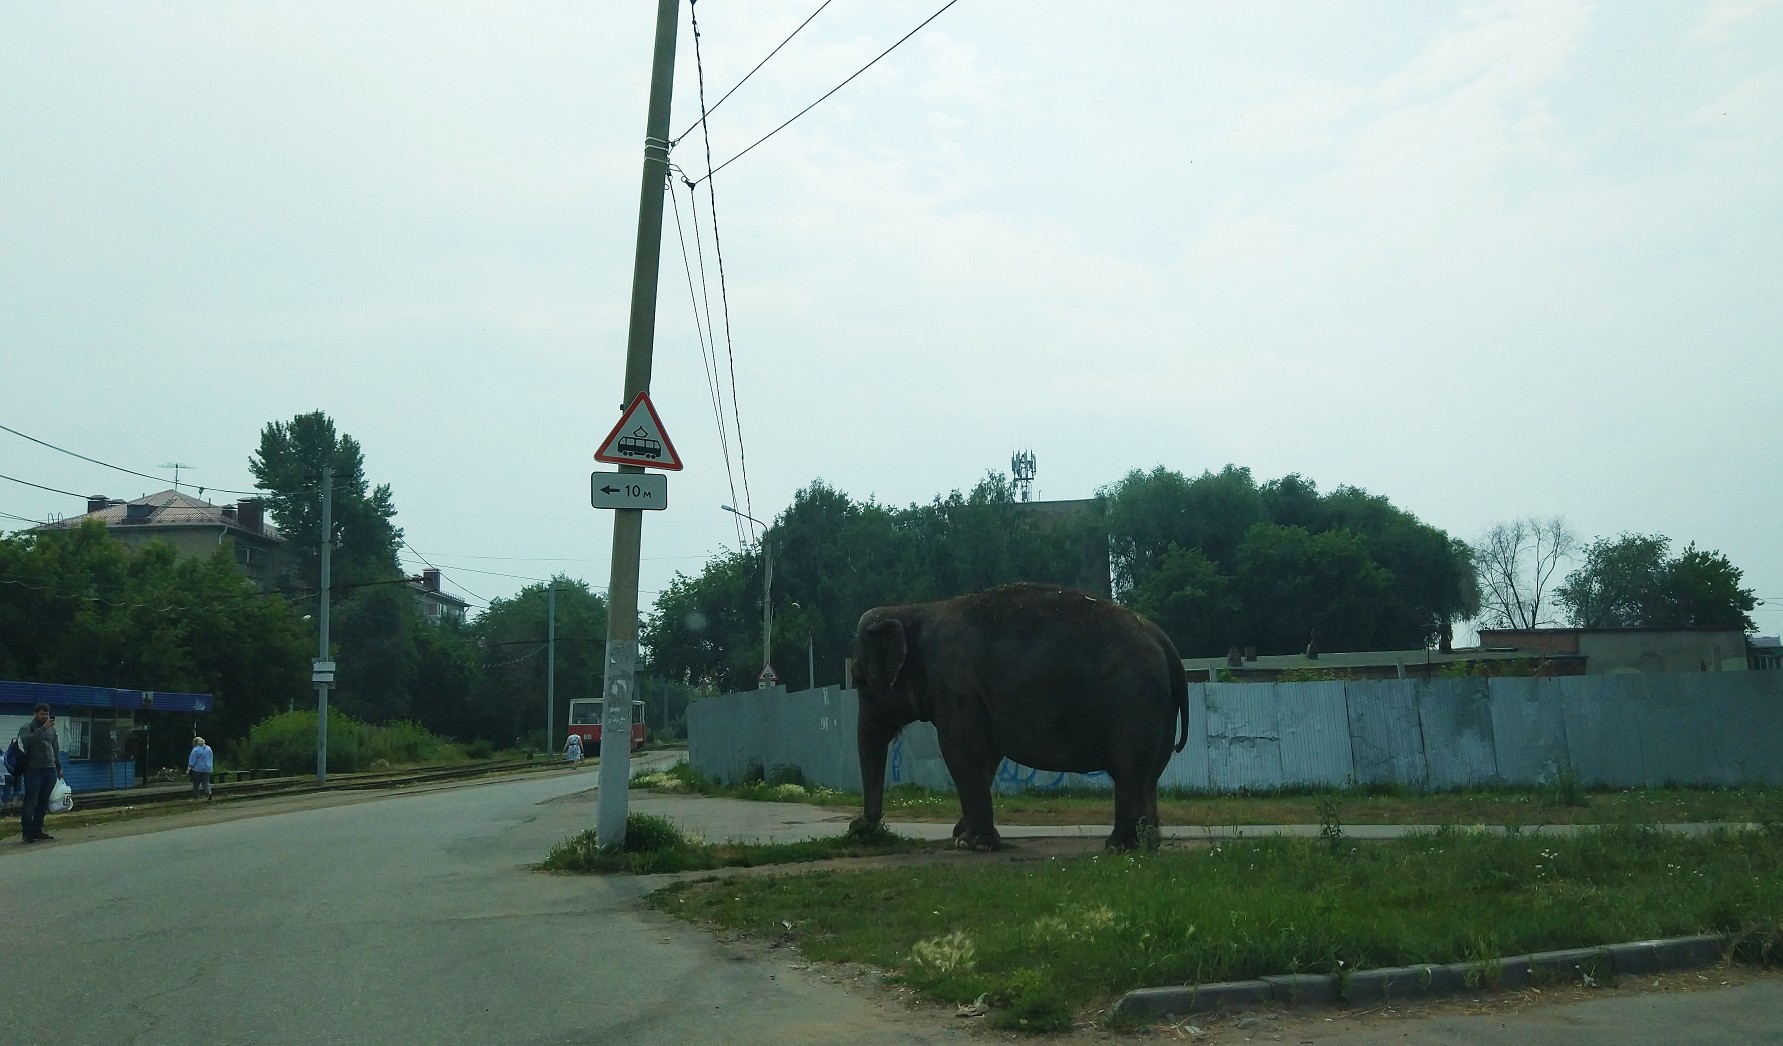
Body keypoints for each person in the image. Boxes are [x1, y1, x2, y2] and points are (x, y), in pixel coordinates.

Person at [18, 703, 62, 843]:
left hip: (49, 769)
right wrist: (42, 729)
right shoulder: (27, 727)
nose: (45, 716)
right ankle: (27, 832)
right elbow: (26, 741)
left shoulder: (52, 730)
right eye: (42, 714)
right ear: (35, 714)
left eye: (47, 714)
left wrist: (59, 767)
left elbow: (55, 748)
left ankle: (37, 829)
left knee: (43, 801)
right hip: (33, 769)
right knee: (30, 801)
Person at [1, 737, 22, 812]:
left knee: (7, 791)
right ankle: (14, 802)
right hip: (16, 774)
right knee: (17, 789)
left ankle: (7, 808)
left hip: (5, 776)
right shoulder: (6, 755)